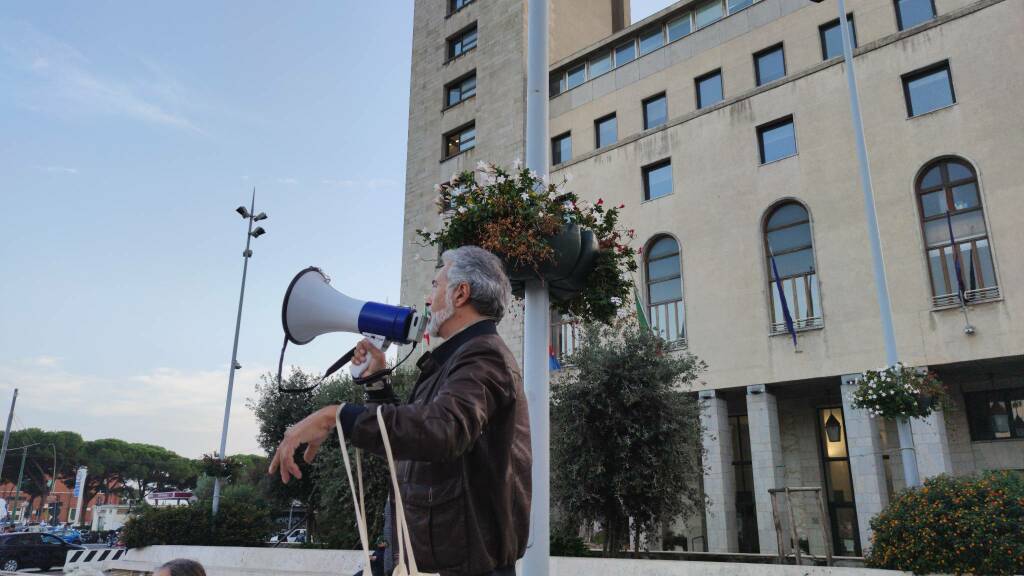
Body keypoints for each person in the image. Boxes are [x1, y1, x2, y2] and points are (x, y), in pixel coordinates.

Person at [270, 245, 532, 576]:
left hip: (462, 565)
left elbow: (441, 432)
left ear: (461, 293)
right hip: (431, 558)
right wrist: (378, 382)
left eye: (436, 285)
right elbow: (413, 447)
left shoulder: (483, 358)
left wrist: (335, 415)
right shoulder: (457, 359)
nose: (428, 296)